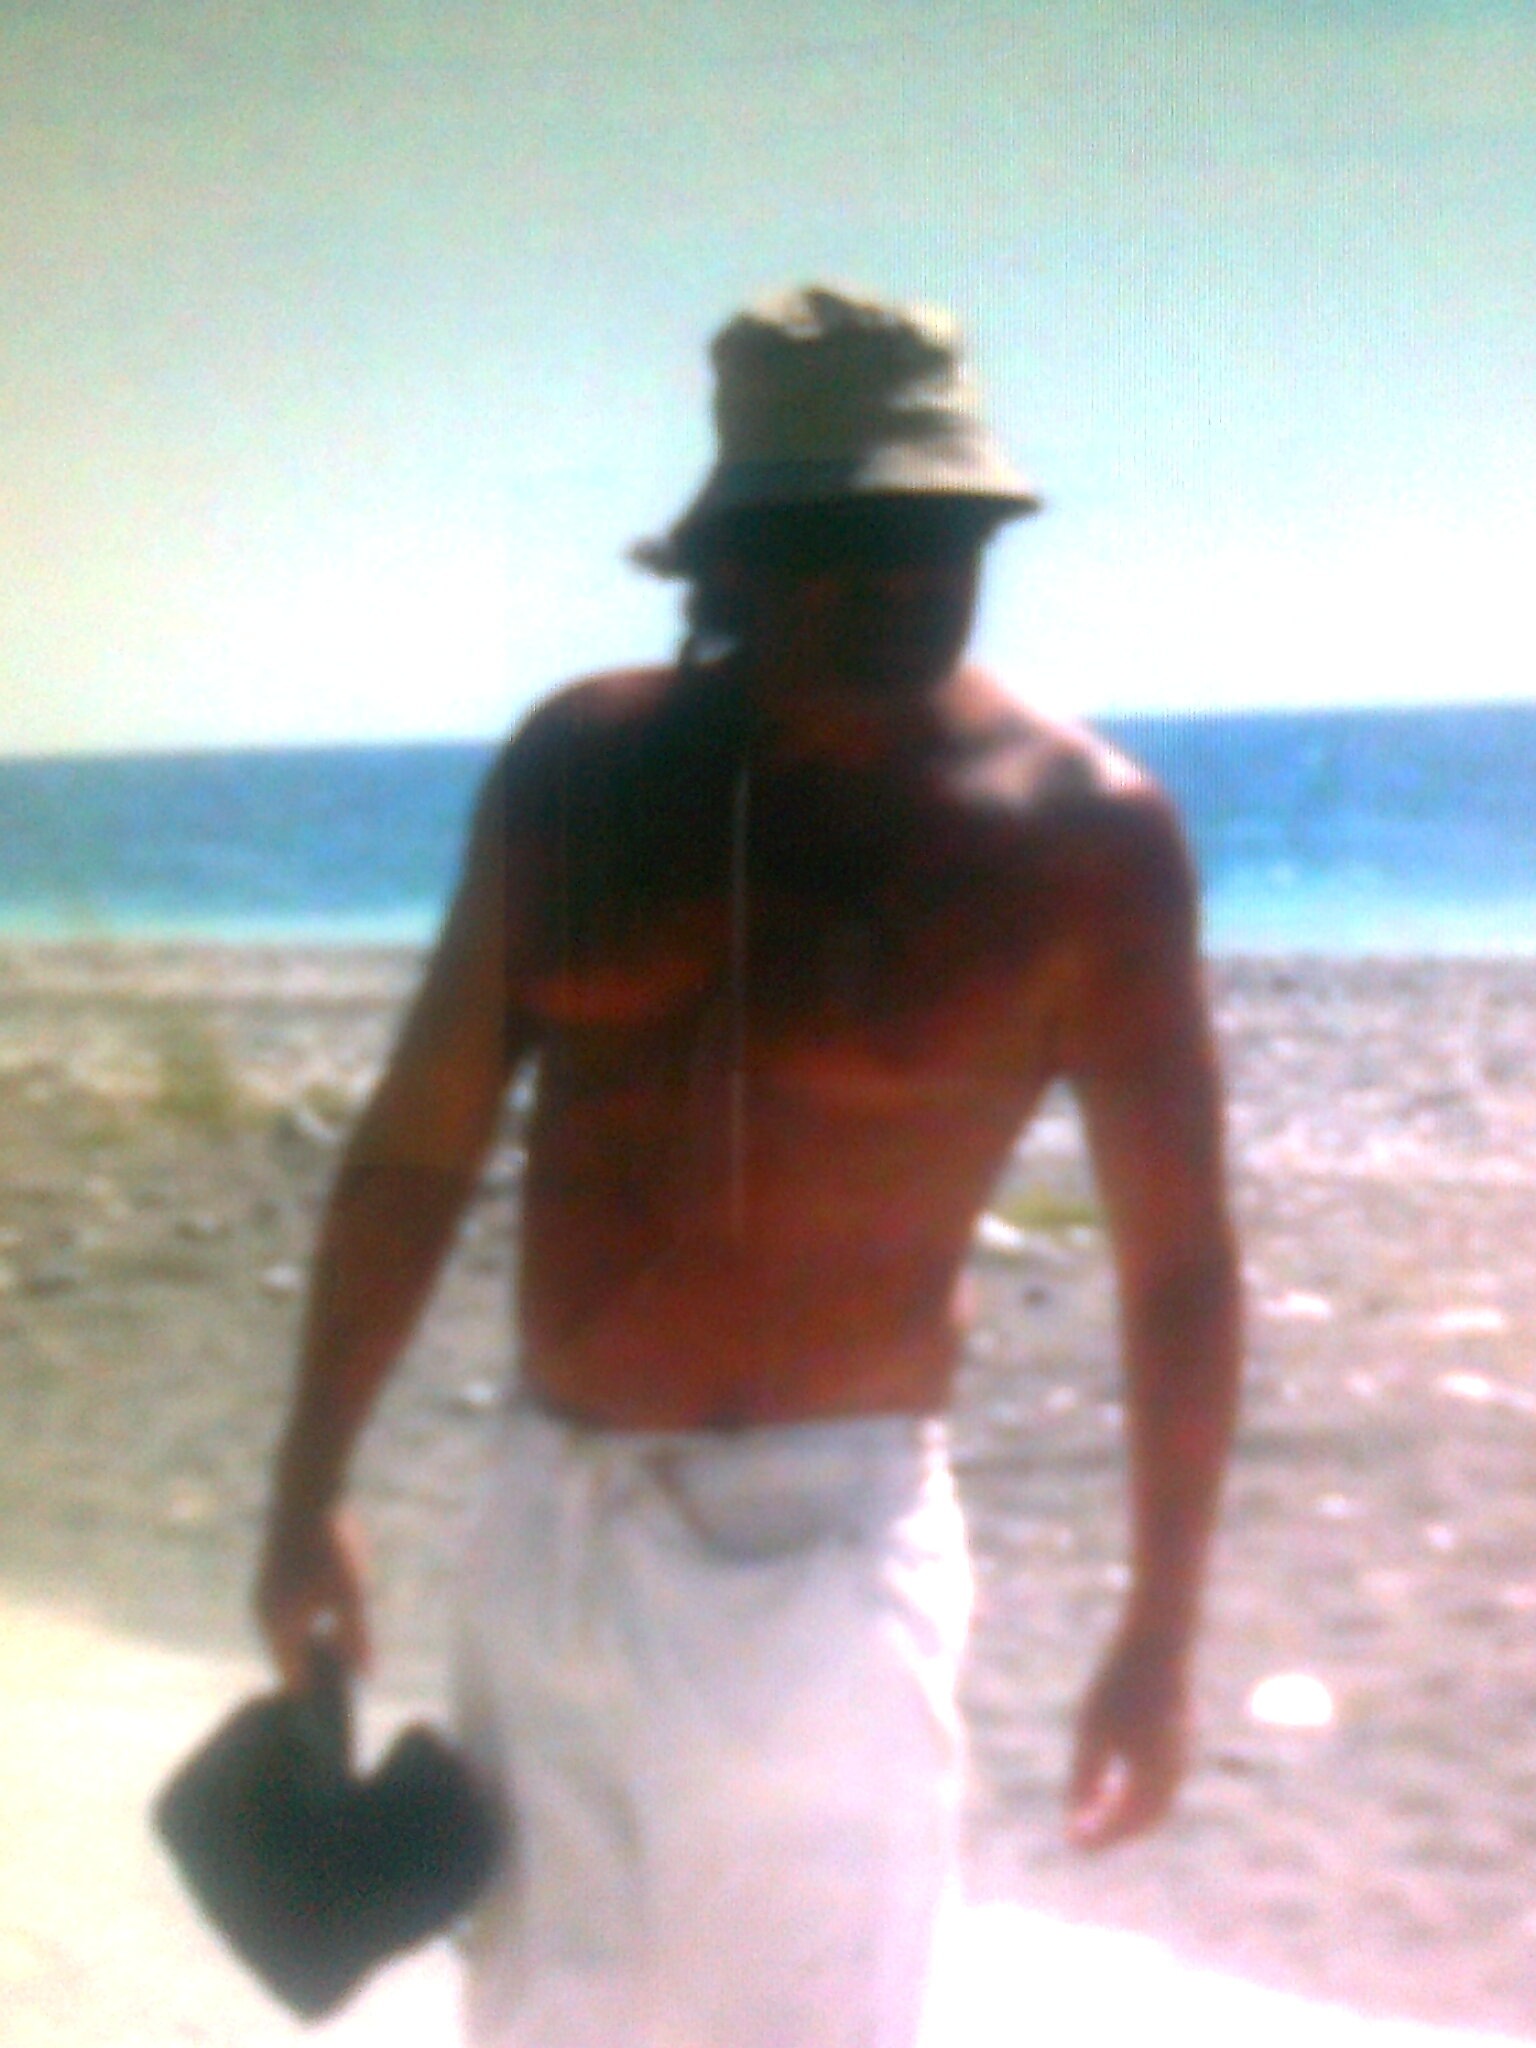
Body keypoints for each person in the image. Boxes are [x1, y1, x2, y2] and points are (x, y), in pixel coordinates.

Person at [256, 284, 1242, 2048]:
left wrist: (1159, 1632)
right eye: (849, 543)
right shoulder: (581, 774)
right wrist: (306, 1483)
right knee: (540, 2015)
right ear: (732, 557)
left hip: (824, 1555)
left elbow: (1178, 1267)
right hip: (551, 1523)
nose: (911, 582)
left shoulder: (1080, 841)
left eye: (946, 534)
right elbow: (419, 1145)